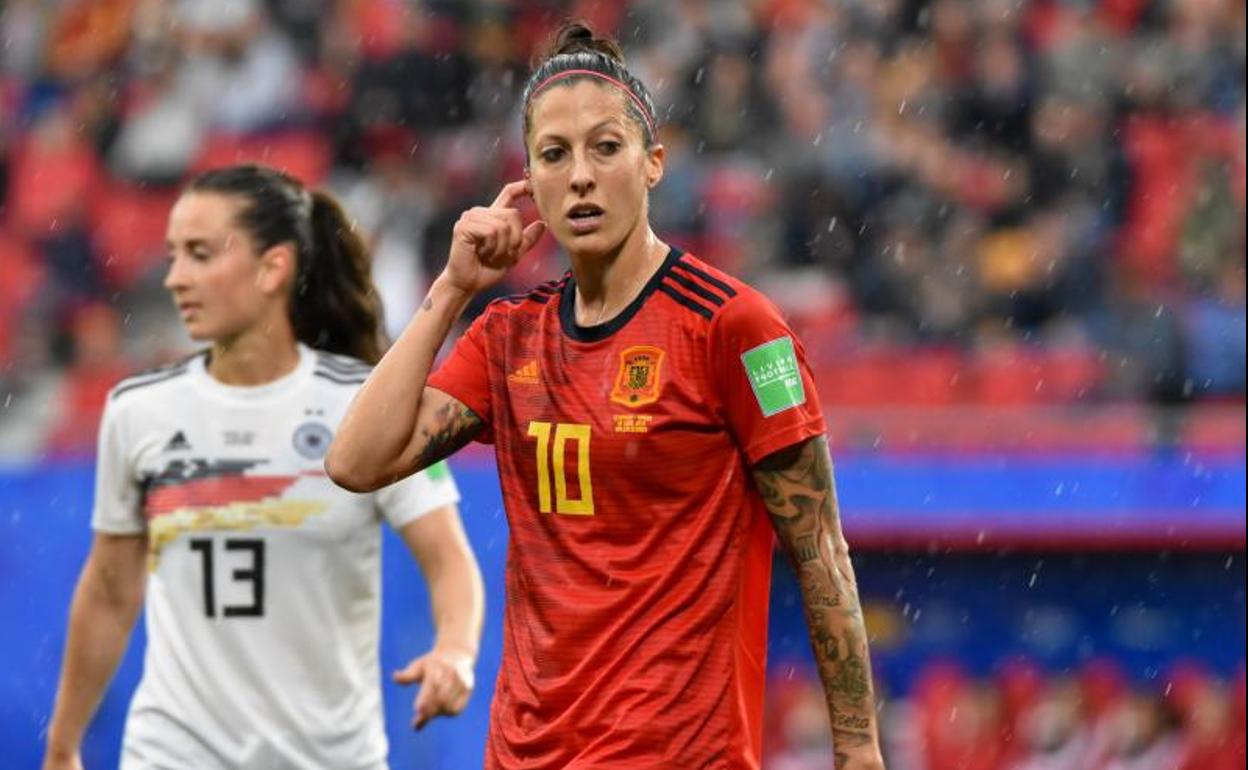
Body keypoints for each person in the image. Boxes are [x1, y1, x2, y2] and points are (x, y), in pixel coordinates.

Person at [327, 21, 886, 770]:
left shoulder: (735, 328)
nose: (580, 176)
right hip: (524, 754)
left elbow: (820, 551)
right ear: (529, 179)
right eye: (554, 154)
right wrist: (453, 288)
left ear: (653, 163)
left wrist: (858, 749)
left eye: (606, 147)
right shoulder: (508, 336)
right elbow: (355, 461)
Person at [43, 164, 485, 770]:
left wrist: (455, 651)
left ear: (274, 267)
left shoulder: (367, 407)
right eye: (172, 256)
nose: (175, 278)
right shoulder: (137, 411)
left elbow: (449, 560)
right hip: (171, 756)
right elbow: (110, 590)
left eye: (200, 255)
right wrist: (63, 744)